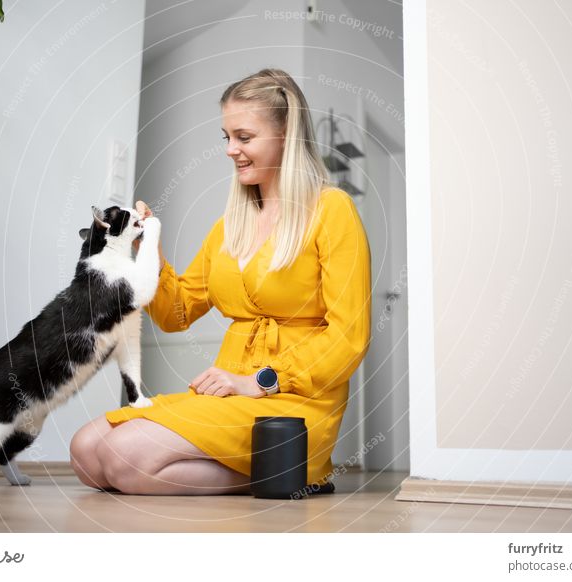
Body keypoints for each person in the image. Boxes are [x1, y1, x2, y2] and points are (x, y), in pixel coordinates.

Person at [69, 68, 371, 495]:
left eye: (244, 137)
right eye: (226, 137)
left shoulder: (331, 210)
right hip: (228, 393)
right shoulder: (230, 226)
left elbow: (349, 337)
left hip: (292, 400)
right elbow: (176, 313)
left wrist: (259, 381)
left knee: (125, 458)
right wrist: (145, 247)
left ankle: (298, 466)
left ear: (286, 136)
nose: (231, 150)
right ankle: (277, 472)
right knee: (86, 451)